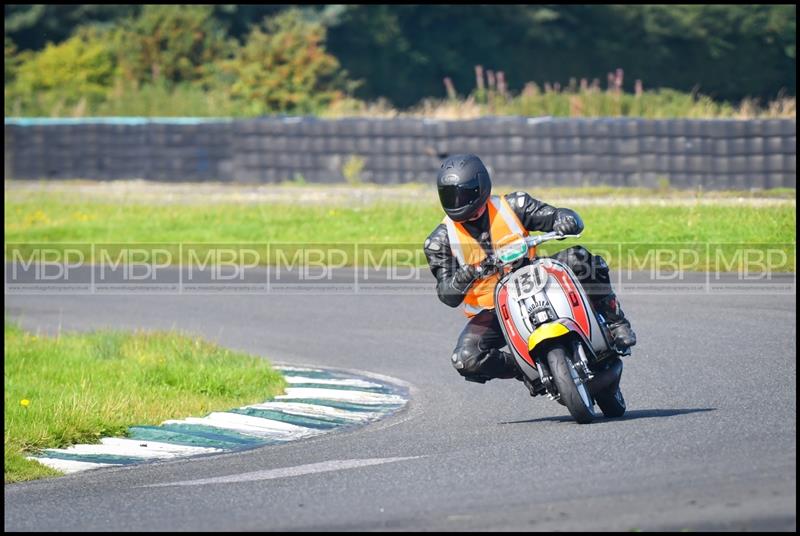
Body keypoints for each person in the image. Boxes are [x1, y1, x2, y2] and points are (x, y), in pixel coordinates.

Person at [424, 154, 636, 384]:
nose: (457, 201)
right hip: (493, 310)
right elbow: (447, 294)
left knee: (580, 258)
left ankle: (616, 323)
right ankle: (525, 369)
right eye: (450, 195)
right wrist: (463, 276)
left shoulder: (514, 205)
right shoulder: (439, 241)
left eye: (463, 194)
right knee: (466, 358)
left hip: (536, 279)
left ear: (480, 187)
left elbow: (557, 215)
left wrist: (564, 219)